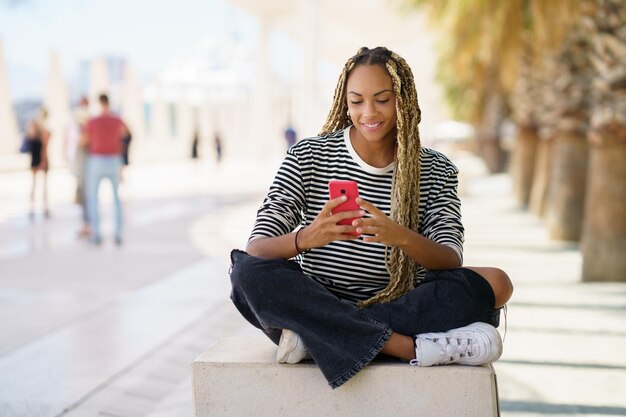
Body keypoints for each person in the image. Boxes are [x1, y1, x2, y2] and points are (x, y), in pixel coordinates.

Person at [229, 47, 514, 389]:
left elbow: (450, 258)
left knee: (497, 283)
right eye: (357, 101)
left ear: (403, 100)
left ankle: (315, 337)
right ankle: (405, 345)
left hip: (402, 302)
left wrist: (401, 236)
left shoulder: (436, 168)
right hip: (321, 296)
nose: (368, 113)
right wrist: (307, 238)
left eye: (382, 99)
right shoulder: (307, 155)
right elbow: (257, 247)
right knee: (245, 273)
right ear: (344, 102)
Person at [82, 93, 127, 245]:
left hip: (97, 159)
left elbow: (84, 140)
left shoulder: (93, 121)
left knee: (93, 198)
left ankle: (96, 234)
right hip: (114, 159)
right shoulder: (117, 120)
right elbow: (126, 134)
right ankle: (118, 233)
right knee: (116, 198)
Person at [64, 96, 90, 237]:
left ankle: (87, 225)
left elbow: (82, 142)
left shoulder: (85, 122)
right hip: (80, 163)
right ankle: (86, 225)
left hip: (84, 164)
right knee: (83, 196)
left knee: (86, 196)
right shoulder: (76, 121)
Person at [25, 108, 51, 220]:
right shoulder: (38, 129)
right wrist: (43, 161)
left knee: (37, 184)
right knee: (37, 184)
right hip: (38, 159)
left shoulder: (37, 129)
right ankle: (34, 207)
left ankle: (38, 206)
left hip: (38, 159)